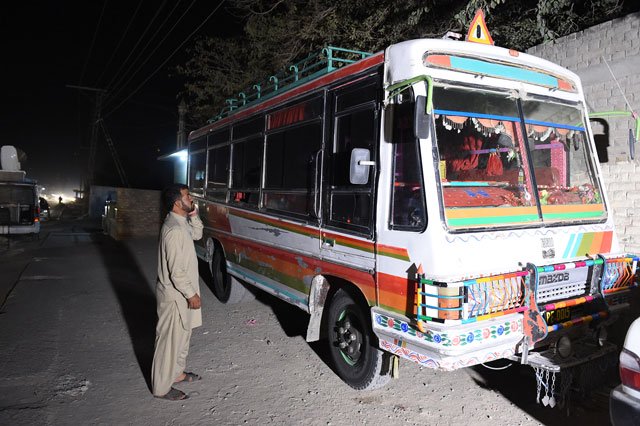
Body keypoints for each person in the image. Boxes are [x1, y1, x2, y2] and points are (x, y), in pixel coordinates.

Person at [152, 184, 204, 401]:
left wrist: (194, 215)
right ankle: (161, 388)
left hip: (183, 293)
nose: (190, 198)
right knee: (168, 343)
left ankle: (177, 374)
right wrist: (191, 294)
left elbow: (198, 234)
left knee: (183, 337)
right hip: (175, 296)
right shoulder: (173, 229)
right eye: (187, 196)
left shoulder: (181, 222)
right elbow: (176, 271)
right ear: (176, 202)